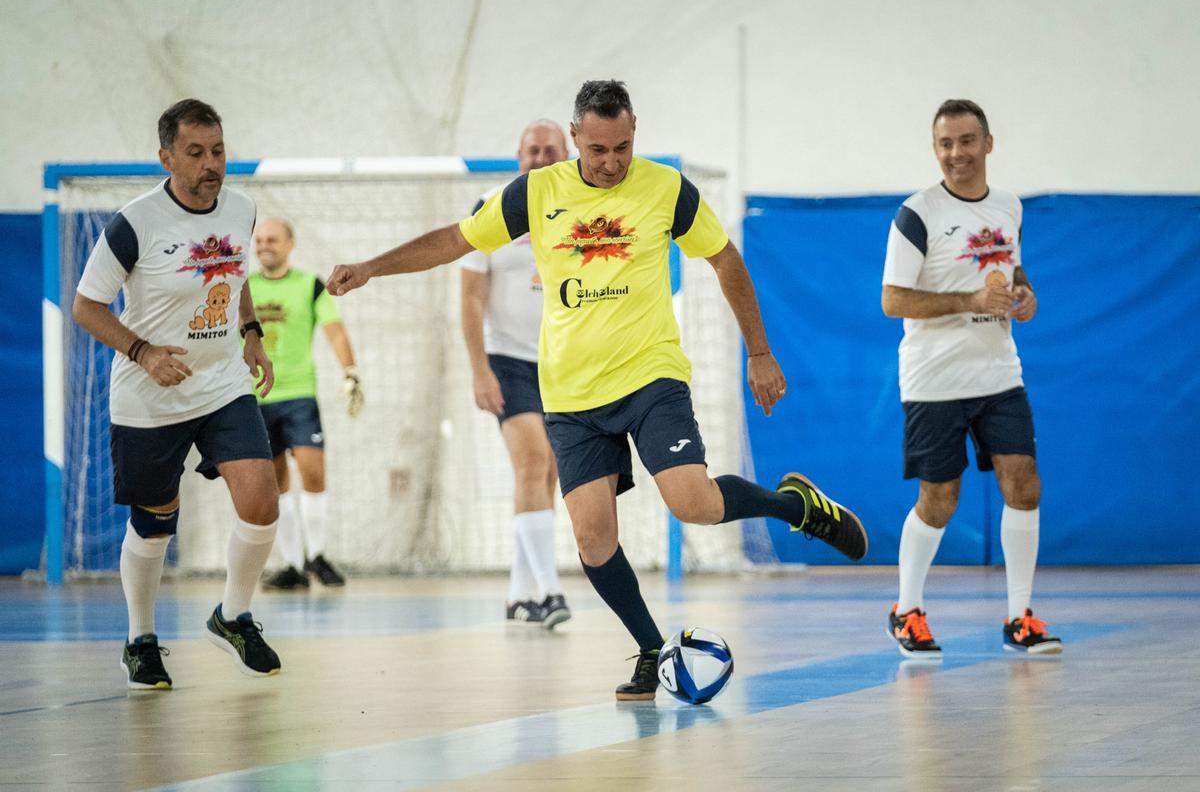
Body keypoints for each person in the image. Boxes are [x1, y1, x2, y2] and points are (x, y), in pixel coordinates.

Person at [327, 80, 868, 700]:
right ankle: (650, 649)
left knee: (692, 503)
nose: (611, 163)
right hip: (571, 395)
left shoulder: (666, 189)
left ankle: (796, 507)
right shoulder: (536, 193)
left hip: (650, 376)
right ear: (575, 137)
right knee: (591, 537)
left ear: (635, 130)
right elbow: (455, 240)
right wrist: (372, 266)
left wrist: (761, 352)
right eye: (599, 150)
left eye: (624, 147)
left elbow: (725, 259)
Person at [72, 99, 283, 689]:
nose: (211, 164)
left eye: (218, 151)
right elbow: (86, 306)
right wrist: (142, 352)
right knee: (157, 520)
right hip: (149, 394)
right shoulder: (134, 223)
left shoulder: (241, 209)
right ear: (165, 156)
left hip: (221, 385)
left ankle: (233, 616)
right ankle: (140, 639)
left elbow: (234, 276)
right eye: (195, 153)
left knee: (262, 498)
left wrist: (251, 336)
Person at [881, 98, 1062, 659]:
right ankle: (906, 609)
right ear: (935, 149)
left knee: (1023, 483)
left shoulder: (1008, 208)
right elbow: (892, 300)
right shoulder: (918, 213)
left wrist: (1024, 297)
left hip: (999, 372)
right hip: (934, 379)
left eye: (965, 141)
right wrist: (970, 299)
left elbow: (1012, 272)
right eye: (944, 144)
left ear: (988, 143)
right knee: (940, 498)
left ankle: (1019, 618)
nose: (956, 153)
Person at [460, 120, 571, 628]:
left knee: (546, 472)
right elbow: (470, 295)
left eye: (551, 150)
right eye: (533, 150)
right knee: (532, 462)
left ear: (567, 153)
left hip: (565, 362)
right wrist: (480, 369)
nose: (542, 158)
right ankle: (549, 592)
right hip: (509, 360)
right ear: (518, 155)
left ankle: (518, 592)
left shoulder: (581, 208)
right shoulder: (491, 206)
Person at [251, 218, 362, 591]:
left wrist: (350, 372)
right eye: (259, 240)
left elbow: (335, 331)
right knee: (275, 483)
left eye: (272, 239)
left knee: (313, 473)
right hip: (256, 398)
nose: (264, 245)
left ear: (290, 245)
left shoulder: (310, 286)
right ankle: (293, 565)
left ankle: (316, 554)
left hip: (299, 396)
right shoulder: (242, 290)